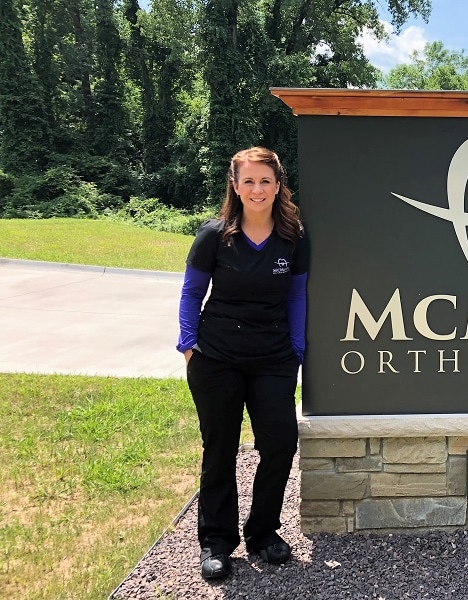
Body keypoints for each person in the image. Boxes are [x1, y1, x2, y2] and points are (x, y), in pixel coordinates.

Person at [176, 146, 308, 580]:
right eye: (248, 181)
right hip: (216, 359)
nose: (257, 189)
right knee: (220, 449)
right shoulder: (214, 235)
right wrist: (189, 342)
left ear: (277, 185)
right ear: (235, 185)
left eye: (265, 180)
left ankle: (264, 532)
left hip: (273, 359)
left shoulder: (293, 237)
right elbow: (192, 292)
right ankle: (216, 542)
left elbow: (296, 295)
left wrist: (296, 348)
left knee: (280, 444)